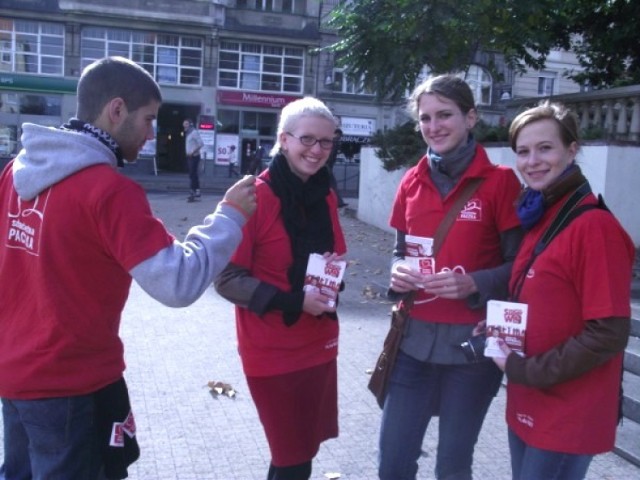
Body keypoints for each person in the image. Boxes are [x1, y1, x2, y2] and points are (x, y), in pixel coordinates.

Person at [0, 56, 256, 480]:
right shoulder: (110, 191)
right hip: (71, 386)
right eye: (149, 119)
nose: (153, 133)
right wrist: (229, 217)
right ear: (116, 110)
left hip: (14, 375)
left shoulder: (14, 174)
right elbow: (178, 282)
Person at [379, 74, 523, 480]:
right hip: (412, 344)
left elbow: (521, 268)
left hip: (472, 352)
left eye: (445, 115)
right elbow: (398, 251)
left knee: (453, 466)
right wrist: (398, 272)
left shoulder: (501, 183)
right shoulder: (410, 180)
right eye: (425, 118)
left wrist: (474, 283)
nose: (433, 126)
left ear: (470, 117)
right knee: (392, 463)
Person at [492, 101, 633, 480]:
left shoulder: (593, 227)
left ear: (572, 150)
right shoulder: (544, 214)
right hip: (530, 398)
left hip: (567, 413)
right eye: (523, 151)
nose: (532, 160)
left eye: (545, 148)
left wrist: (525, 368)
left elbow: (608, 332)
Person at [214, 97, 346, 480]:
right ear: (283, 139)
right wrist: (295, 301)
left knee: (301, 454)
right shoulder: (254, 196)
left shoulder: (326, 193)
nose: (317, 150)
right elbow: (226, 279)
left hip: (318, 343)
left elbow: (333, 254)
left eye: (326, 142)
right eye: (307, 139)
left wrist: (334, 279)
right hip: (272, 351)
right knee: (291, 457)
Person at [183, 118, 204, 202]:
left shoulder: (194, 132)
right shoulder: (188, 133)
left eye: (186, 124)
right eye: (184, 124)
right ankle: (196, 191)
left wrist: (192, 152)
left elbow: (201, 144)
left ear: (190, 124)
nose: (184, 125)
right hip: (189, 156)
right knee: (192, 174)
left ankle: (193, 191)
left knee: (192, 174)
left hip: (194, 156)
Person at [325, 128, 347, 207]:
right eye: (339, 136)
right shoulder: (334, 142)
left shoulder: (333, 142)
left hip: (327, 166)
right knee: (332, 184)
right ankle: (338, 202)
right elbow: (330, 156)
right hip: (327, 166)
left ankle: (337, 202)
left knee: (331, 184)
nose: (339, 137)